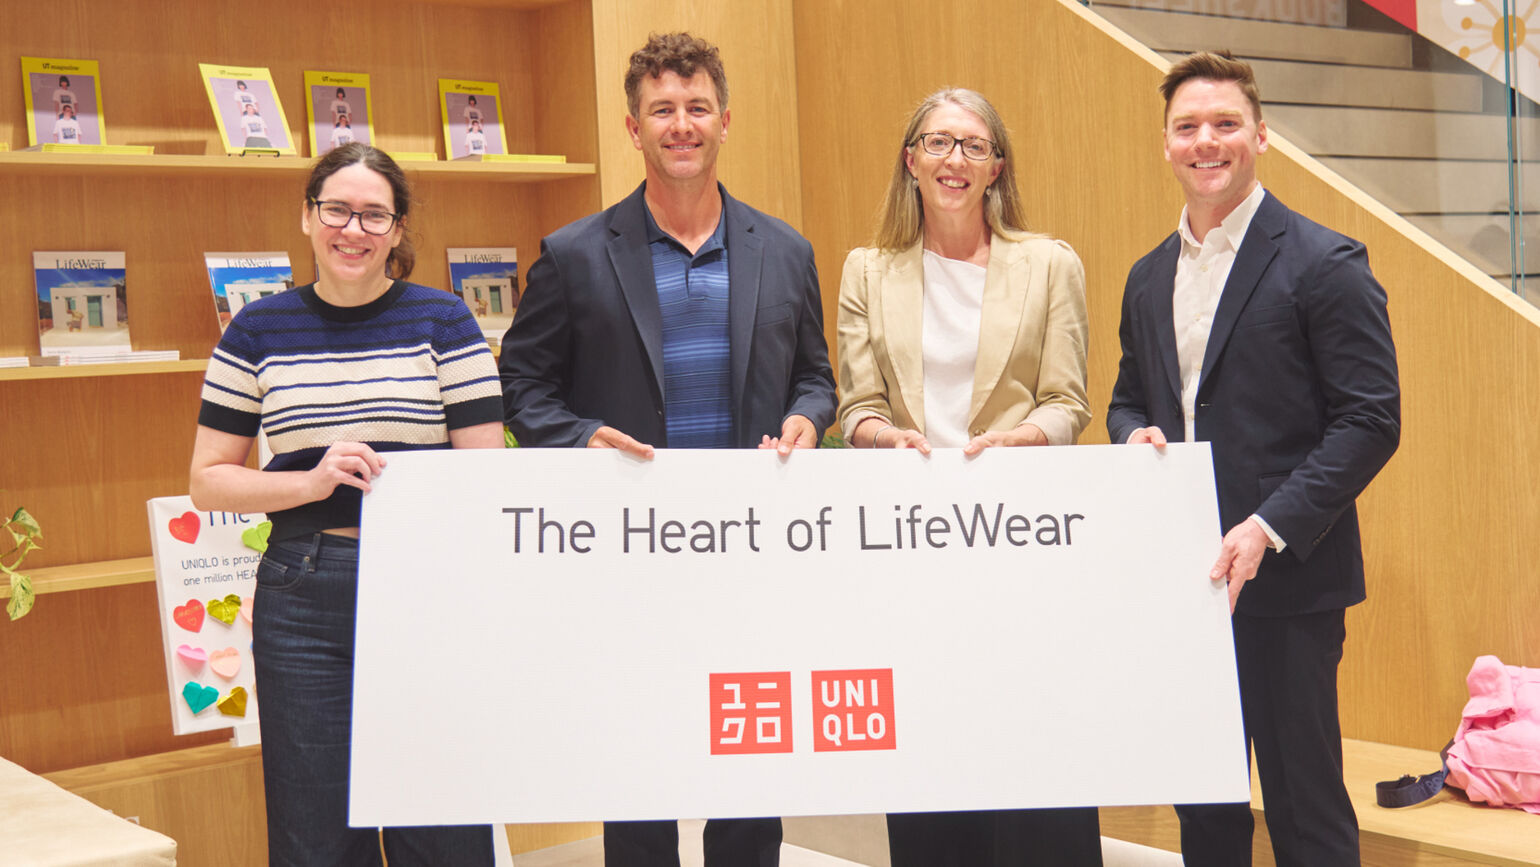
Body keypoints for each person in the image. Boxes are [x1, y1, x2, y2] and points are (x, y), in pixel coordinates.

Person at [499, 31, 836, 867]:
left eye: (696, 107)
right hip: (629, 548)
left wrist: (807, 418)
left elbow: (814, 376)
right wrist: (582, 435)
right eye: (662, 110)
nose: (681, 125)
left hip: (751, 545)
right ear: (633, 127)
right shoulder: (574, 255)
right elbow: (523, 388)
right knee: (637, 761)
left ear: (725, 119)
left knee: (748, 756)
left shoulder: (786, 250)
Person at [1107, 51, 1400, 866]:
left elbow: (1371, 420)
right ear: (1167, 143)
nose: (1206, 141)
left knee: (1306, 811)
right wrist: (1131, 436)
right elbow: (1130, 397)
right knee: (1205, 811)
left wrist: (1266, 527)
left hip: (1289, 582)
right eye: (1187, 126)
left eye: (1225, 123)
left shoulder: (1325, 262)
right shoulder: (1147, 276)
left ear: (1261, 136)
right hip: (1186, 581)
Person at [189, 142, 503, 866]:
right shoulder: (256, 330)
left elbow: (484, 473)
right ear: (307, 217)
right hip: (304, 589)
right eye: (336, 210)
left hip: (427, 587)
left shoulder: (445, 321)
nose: (352, 230)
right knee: (316, 830)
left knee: (443, 823)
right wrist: (309, 482)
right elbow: (209, 480)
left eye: (373, 215)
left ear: (397, 229)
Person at [836, 88, 1100, 867]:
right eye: (938, 142)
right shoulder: (867, 270)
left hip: (1022, 543)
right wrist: (884, 437)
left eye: (974, 146)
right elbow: (856, 406)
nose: (955, 159)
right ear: (910, 160)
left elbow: (1068, 402)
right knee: (932, 768)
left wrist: (1025, 437)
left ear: (997, 168)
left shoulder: (1049, 264)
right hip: (914, 550)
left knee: (1038, 766)